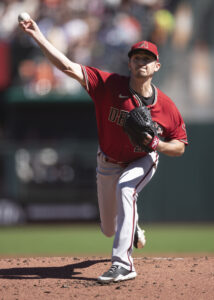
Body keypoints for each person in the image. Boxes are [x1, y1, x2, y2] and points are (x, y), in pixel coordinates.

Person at [19, 18, 188, 283]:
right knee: (108, 229)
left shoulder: (166, 106)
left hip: (142, 159)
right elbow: (67, 66)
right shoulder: (108, 85)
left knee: (126, 188)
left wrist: (159, 145)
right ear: (129, 63)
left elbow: (179, 146)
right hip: (108, 161)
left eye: (147, 59)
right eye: (137, 58)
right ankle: (130, 228)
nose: (141, 62)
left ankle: (123, 265)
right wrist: (38, 35)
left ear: (157, 65)